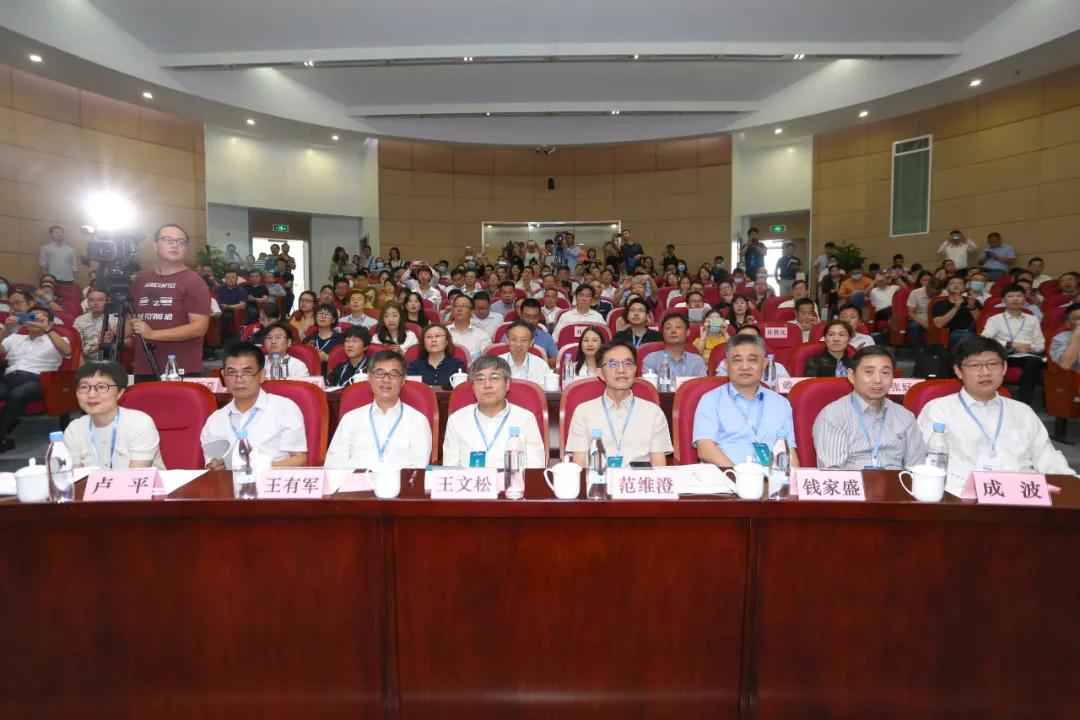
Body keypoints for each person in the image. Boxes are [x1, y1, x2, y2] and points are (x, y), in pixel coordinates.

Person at [917, 337, 1073, 478]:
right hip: (961, 494)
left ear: (1004, 368)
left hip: (1021, 493)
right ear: (958, 371)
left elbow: (1048, 457)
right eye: (975, 365)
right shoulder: (939, 410)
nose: (985, 372)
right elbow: (924, 462)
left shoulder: (1023, 412)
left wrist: (1069, 484)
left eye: (993, 364)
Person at [693, 333, 799, 468]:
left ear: (764, 364)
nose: (745, 367)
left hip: (772, 478)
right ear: (726, 365)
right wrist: (739, 476)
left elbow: (790, 453)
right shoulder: (710, 400)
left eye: (752, 360)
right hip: (726, 476)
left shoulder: (781, 403)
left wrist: (789, 479)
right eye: (737, 360)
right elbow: (705, 449)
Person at [812, 347, 926, 470]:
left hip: (896, 481)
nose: (878, 380)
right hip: (854, 481)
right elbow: (832, 473)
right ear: (851, 375)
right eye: (868, 372)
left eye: (885, 373)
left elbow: (917, 468)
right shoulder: (833, 415)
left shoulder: (905, 417)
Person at [200, 342, 308, 469]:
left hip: (272, 479)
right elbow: (209, 465)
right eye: (232, 372)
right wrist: (213, 468)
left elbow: (300, 460)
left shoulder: (285, 408)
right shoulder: (215, 420)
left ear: (262, 375)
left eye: (247, 372)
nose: (239, 379)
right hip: (228, 481)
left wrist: (256, 468)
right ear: (223, 376)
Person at [566, 340, 672, 466]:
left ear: (635, 370)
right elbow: (580, 465)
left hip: (639, 478)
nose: (621, 370)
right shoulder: (583, 412)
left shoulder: (653, 413)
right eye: (613, 364)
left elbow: (659, 468)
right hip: (598, 477)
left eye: (627, 363)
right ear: (600, 373)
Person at [129, 224, 211, 379]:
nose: (175, 245)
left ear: (186, 248)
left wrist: (153, 334)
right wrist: (117, 332)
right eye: (168, 240)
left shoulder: (194, 282)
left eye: (181, 242)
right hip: (144, 366)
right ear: (155, 246)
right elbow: (133, 319)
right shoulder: (141, 280)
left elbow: (199, 327)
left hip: (181, 367)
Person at [325, 350, 431, 468]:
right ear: (369, 377)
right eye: (379, 373)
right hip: (356, 480)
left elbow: (418, 469)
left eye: (394, 374)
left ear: (403, 380)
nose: (386, 379)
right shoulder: (350, 419)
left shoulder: (418, 421)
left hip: (399, 480)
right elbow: (333, 465)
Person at [441, 356, 546, 468]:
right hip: (470, 479)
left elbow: (536, 468)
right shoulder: (456, 420)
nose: (487, 385)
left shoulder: (526, 418)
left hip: (512, 478)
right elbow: (449, 468)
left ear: (507, 384)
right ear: (473, 387)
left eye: (494, 378)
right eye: (480, 379)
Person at [63, 361, 163, 469]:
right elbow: (73, 475)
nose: (91, 394)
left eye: (102, 387)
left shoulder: (139, 423)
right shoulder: (74, 429)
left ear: (120, 392)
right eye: (84, 387)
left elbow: (137, 476)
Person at [0, 307, 72, 451]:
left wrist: (47, 330)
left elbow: (67, 351)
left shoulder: (58, 338)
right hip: (10, 378)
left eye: (39, 319)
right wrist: (6, 330)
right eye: (30, 317)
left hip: (40, 380)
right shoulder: (15, 338)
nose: (34, 321)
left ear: (50, 323)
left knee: (17, 394)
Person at [979, 283, 1045, 404]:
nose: (1015, 299)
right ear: (1003, 300)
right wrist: (1009, 344)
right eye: (1010, 296)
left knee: (1034, 362)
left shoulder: (1032, 319)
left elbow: (1041, 345)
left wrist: (1029, 347)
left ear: (1024, 299)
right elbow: (984, 339)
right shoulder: (995, 319)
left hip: (1027, 356)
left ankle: (1024, 404)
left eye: (1019, 296)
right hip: (1003, 355)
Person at [642, 313, 707, 378]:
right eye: (668, 327)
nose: (673, 331)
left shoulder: (697, 361)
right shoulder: (651, 359)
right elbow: (650, 384)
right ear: (662, 333)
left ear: (687, 332)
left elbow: (702, 384)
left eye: (678, 327)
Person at [715, 325, 791, 378]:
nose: (747, 343)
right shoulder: (726, 365)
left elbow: (788, 392)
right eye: (742, 339)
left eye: (752, 339)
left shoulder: (777, 368)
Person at [932, 275, 981, 347]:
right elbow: (938, 324)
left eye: (960, 283)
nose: (956, 285)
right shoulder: (939, 303)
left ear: (964, 288)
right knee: (968, 337)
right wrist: (956, 307)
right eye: (952, 283)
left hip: (972, 332)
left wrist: (972, 308)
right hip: (951, 334)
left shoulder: (973, 301)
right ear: (946, 287)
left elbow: (981, 322)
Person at [73, 289, 118, 361]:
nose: (95, 303)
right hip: (86, 360)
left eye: (100, 300)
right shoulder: (79, 320)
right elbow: (77, 346)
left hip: (111, 359)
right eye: (91, 300)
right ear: (87, 303)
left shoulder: (116, 319)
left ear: (107, 302)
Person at [445, 294, 491, 358]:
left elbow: (487, 361)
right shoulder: (443, 332)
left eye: (464, 306)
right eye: (456, 306)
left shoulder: (482, 335)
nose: (459, 309)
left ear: (472, 312)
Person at [303, 304, 344, 368]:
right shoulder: (308, 339)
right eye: (320, 313)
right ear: (315, 318)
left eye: (327, 314)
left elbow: (346, 360)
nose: (323, 316)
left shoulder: (341, 339)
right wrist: (306, 351)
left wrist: (327, 358)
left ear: (333, 320)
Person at [216, 270, 249, 340]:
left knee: (225, 317)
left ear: (237, 279)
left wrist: (228, 307)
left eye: (233, 277)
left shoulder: (242, 291)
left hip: (234, 312)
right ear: (225, 279)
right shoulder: (219, 290)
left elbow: (242, 305)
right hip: (219, 310)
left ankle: (221, 340)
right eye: (228, 277)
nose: (230, 279)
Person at [1050, 303, 1080, 371]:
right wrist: (1075, 338)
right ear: (1068, 324)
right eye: (1078, 318)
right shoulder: (1060, 339)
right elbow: (1065, 365)